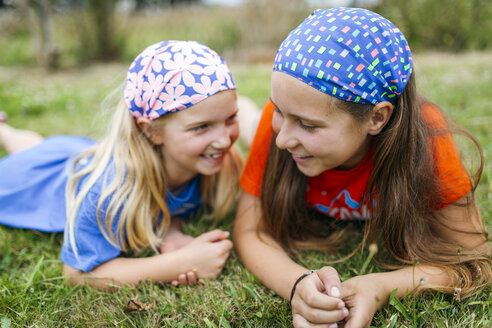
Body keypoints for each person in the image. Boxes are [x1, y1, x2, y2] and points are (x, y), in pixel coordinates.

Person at [233, 7, 491, 328]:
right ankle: (247, 113)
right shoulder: (280, 125)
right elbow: (249, 231)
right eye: (280, 111)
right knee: (254, 125)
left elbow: (476, 256)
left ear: (377, 118)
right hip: (263, 126)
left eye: (309, 126)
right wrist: (298, 284)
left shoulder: (428, 138)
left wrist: (382, 287)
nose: (283, 139)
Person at [0, 40, 244, 289]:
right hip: (34, 182)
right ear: (151, 131)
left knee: (38, 146)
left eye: (230, 118)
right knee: (33, 154)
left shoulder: (217, 163)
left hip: (75, 153)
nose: (225, 140)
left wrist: (170, 230)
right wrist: (178, 263)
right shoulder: (109, 190)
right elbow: (76, 273)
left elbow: (164, 203)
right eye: (201, 127)